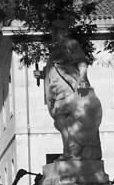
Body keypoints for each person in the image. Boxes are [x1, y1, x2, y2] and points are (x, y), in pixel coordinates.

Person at [43, 20, 102, 161]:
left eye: (56, 31)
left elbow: (82, 61)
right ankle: (69, 149)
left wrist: (83, 78)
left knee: (74, 118)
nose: (54, 34)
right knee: (60, 119)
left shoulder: (71, 44)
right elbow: (51, 70)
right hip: (57, 92)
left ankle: (75, 150)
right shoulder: (55, 51)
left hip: (70, 88)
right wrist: (42, 74)